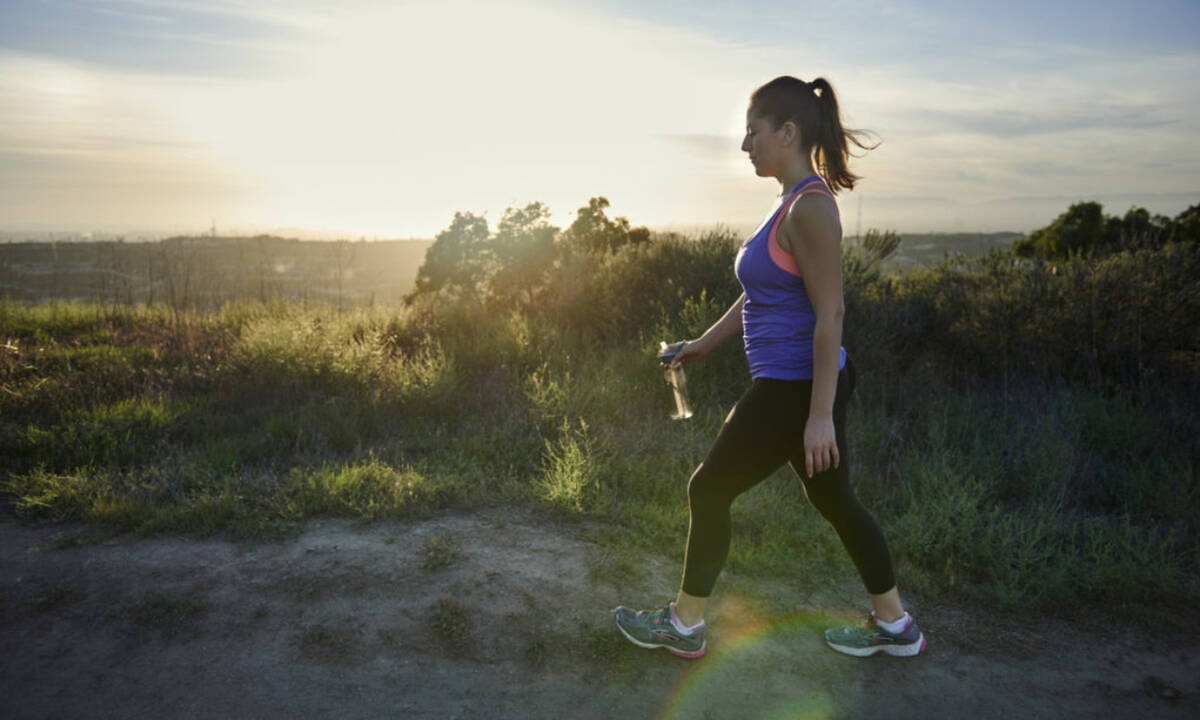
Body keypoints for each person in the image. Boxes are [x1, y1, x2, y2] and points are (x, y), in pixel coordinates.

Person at [613, 75, 925, 659]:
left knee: (707, 490)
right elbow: (759, 293)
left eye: (752, 132)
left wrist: (819, 416)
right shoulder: (786, 204)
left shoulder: (810, 209)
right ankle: (895, 625)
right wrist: (703, 343)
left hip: (796, 385)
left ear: (787, 132)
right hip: (792, 384)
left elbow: (831, 313)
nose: (744, 145)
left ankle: (683, 626)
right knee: (836, 501)